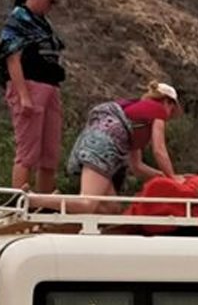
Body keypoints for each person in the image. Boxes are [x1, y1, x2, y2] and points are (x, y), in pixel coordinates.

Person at [60, 81, 184, 212]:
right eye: (172, 109)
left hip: (96, 146)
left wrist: (167, 177)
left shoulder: (138, 115)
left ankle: (58, 208)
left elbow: (137, 166)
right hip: (102, 150)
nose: (170, 114)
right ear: (167, 102)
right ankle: (37, 200)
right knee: (87, 204)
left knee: (111, 208)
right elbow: (159, 150)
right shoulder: (158, 110)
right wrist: (173, 178)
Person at [0, 0, 66, 194]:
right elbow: (12, 57)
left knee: (49, 152)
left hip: (50, 86)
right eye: (49, 1)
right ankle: (19, 201)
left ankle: (44, 203)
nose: (50, 7)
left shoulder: (44, 24)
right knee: (28, 150)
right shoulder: (19, 19)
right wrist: (23, 95)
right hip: (29, 85)